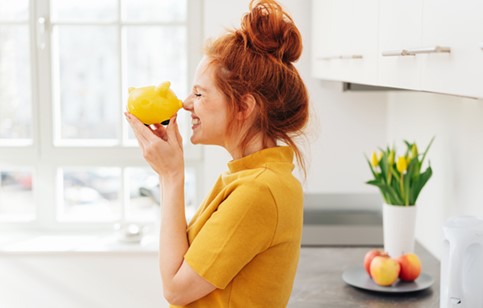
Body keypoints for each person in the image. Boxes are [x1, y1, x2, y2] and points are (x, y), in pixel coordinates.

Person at [125, 0, 309, 306]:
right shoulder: (251, 177)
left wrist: (171, 175)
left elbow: (176, 289)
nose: (186, 103)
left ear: (244, 107)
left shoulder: (258, 191)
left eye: (199, 93)